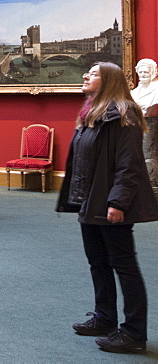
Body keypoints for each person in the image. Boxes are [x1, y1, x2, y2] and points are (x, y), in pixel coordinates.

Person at [58, 62, 158, 354]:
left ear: (109, 80)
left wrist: (118, 202)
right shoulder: (92, 113)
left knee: (124, 267)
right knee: (98, 262)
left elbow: (129, 165)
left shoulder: (123, 113)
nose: (86, 76)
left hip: (110, 202)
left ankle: (134, 333)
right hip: (90, 200)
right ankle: (104, 318)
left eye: (93, 73)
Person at [131, 58, 158, 192]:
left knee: (150, 155)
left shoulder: (156, 90)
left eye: (146, 72)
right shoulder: (135, 92)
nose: (142, 74)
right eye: (140, 72)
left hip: (151, 125)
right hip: (137, 127)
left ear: (153, 72)